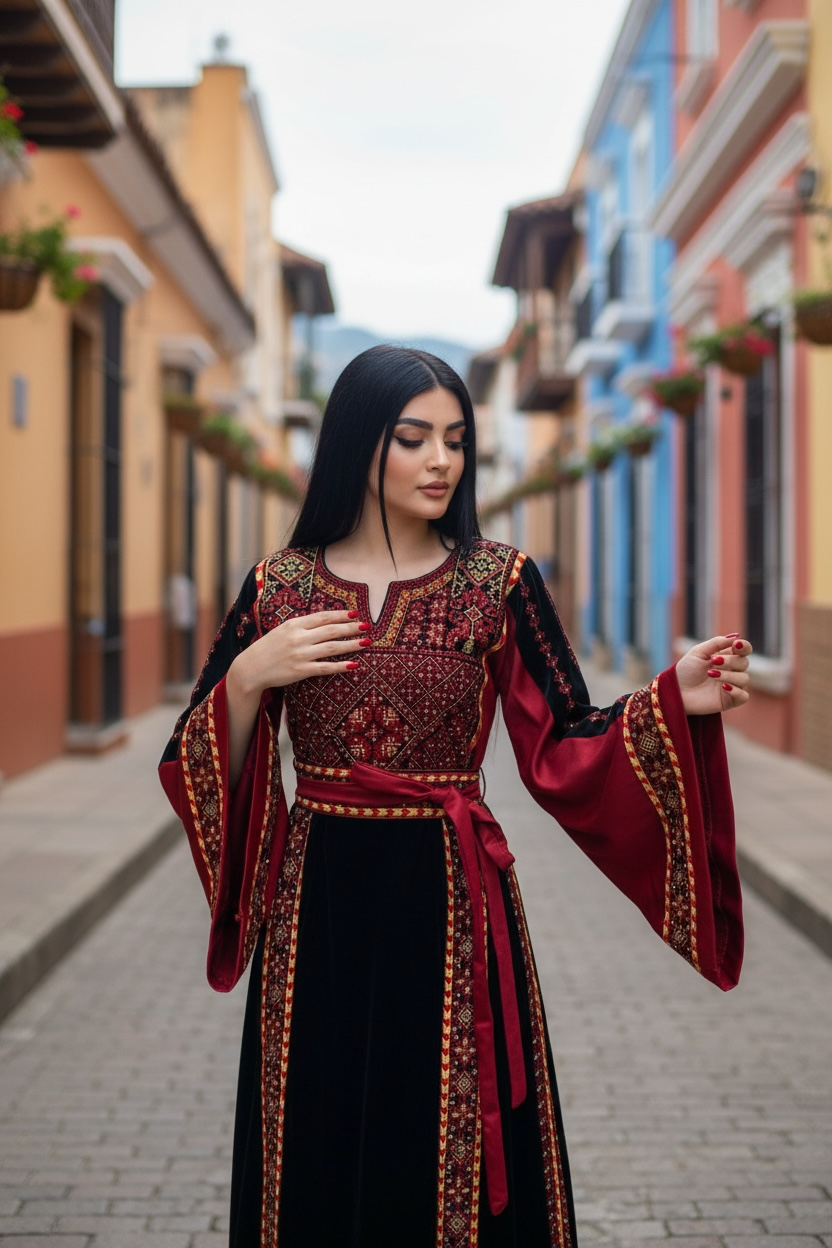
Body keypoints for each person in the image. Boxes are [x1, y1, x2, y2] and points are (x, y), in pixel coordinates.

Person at [159, 345, 747, 1248]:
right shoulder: (279, 587)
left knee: (447, 1128)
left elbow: (569, 737)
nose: (442, 461)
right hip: (314, 912)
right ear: (360, 443)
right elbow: (191, 760)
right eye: (414, 438)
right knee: (314, 1121)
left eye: (457, 440)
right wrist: (245, 679)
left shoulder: (499, 582)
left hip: (453, 902)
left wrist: (674, 698)